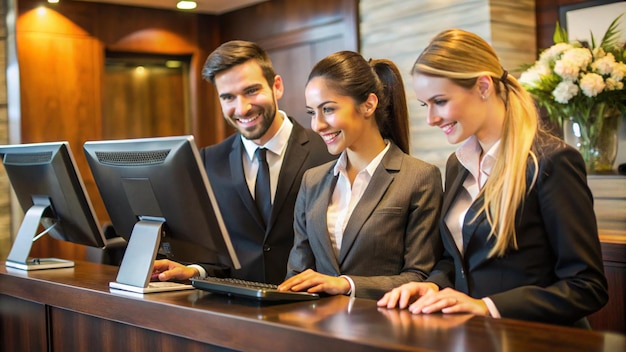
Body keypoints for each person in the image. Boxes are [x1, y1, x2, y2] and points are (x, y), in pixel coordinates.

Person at [377, 29, 608, 326]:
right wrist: (433, 284)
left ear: (483, 86)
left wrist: (487, 307)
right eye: (425, 105)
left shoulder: (552, 161)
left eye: (440, 101)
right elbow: (459, 259)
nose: (431, 119)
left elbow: (587, 287)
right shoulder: (457, 164)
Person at [151, 40, 335, 284]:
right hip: (236, 308)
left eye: (251, 91)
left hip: (311, 307)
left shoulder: (327, 152)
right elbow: (217, 255)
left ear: (276, 86)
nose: (242, 108)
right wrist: (196, 270)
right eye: (228, 97)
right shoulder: (209, 161)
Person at [276, 51, 443, 300]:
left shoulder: (420, 177)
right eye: (312, 112)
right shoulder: (312, 180)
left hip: (385, 328)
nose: (317, 125)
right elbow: (298, 273)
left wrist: (345, 284)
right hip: (318, 328)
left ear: (368, 104)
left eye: (328, 109)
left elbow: (419, 276)